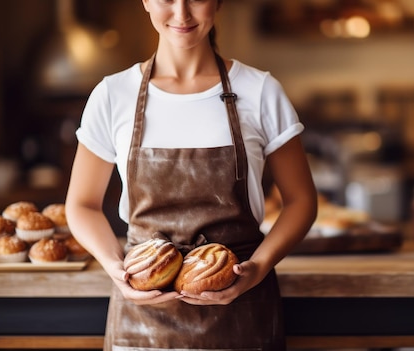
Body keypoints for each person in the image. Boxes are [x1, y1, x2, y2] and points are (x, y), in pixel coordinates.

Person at [65, 0, 318, 350]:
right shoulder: (112, 95)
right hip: (141, 327)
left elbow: (301, 200)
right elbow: (82, 204)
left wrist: (257, 269)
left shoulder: (260, 91)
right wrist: (116, 268)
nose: (181, 14)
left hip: (242, 318)